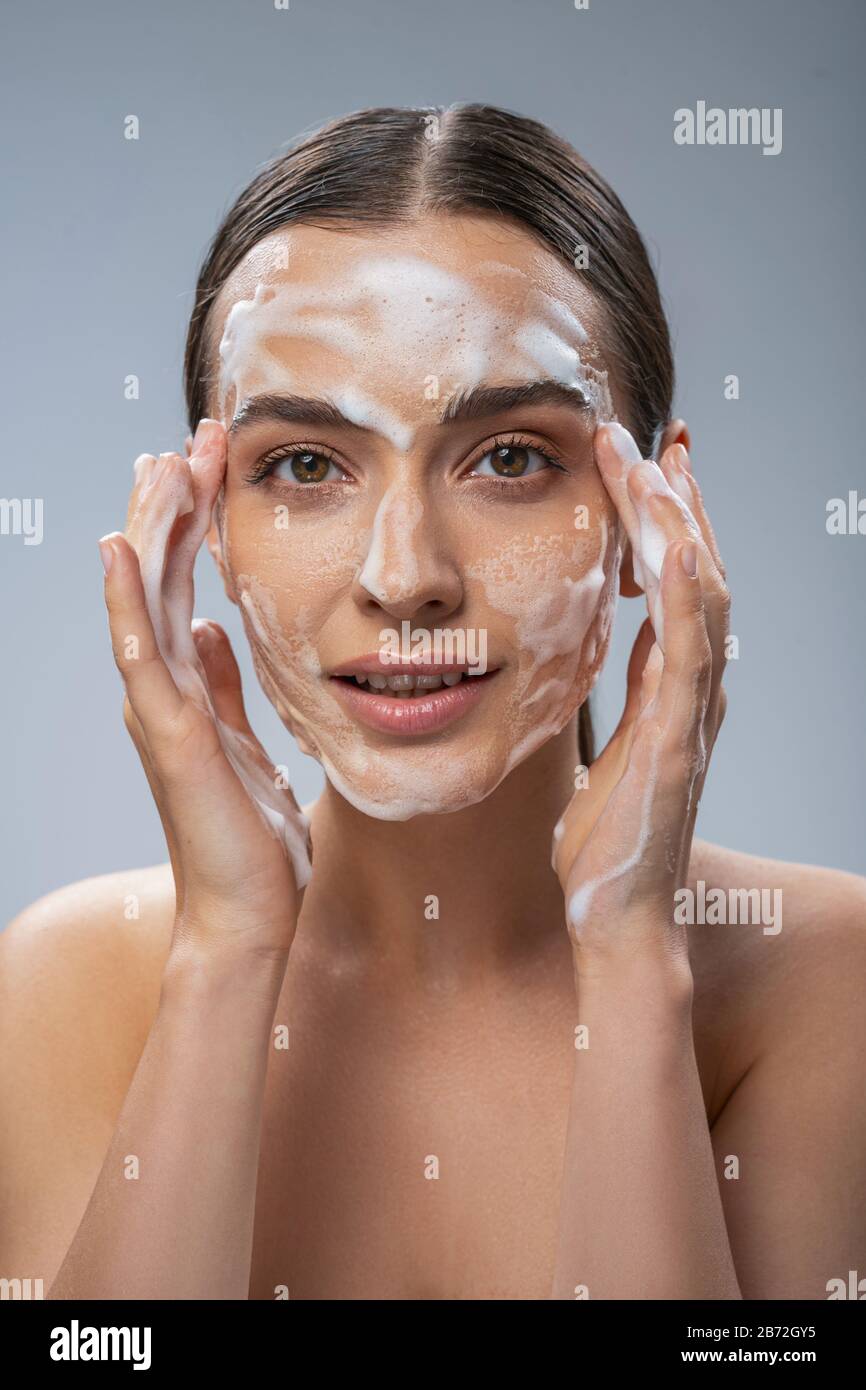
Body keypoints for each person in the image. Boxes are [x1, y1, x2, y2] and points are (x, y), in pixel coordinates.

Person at [2, 104, 864, 1301]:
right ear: (211, 528)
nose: (403, 575)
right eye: (304, 466)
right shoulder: (66, 986)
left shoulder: (827, 981)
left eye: (508, 457)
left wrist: (627, 958)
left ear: (648, 523)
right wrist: (226, 947)